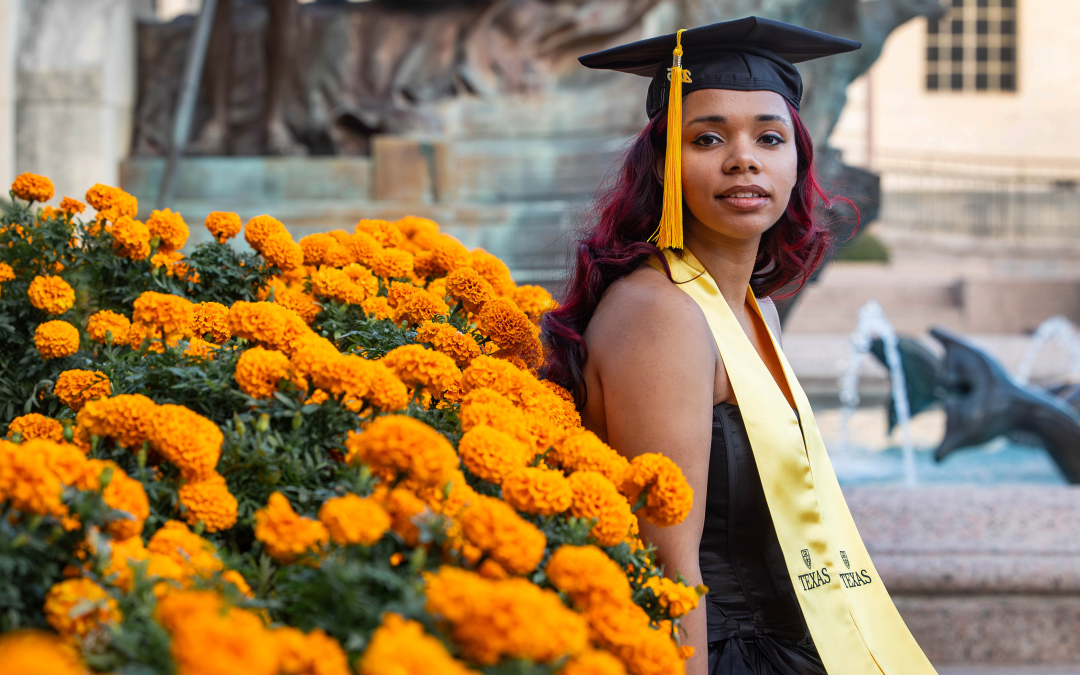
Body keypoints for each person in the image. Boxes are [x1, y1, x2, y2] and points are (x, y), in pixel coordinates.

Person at [543, 17, 937, 675]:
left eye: (769, 136)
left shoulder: (754, 309)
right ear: (664, 165)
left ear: (796, 163)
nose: (743, 158)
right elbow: (669, 570)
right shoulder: (661, 314)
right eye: (707, 138)